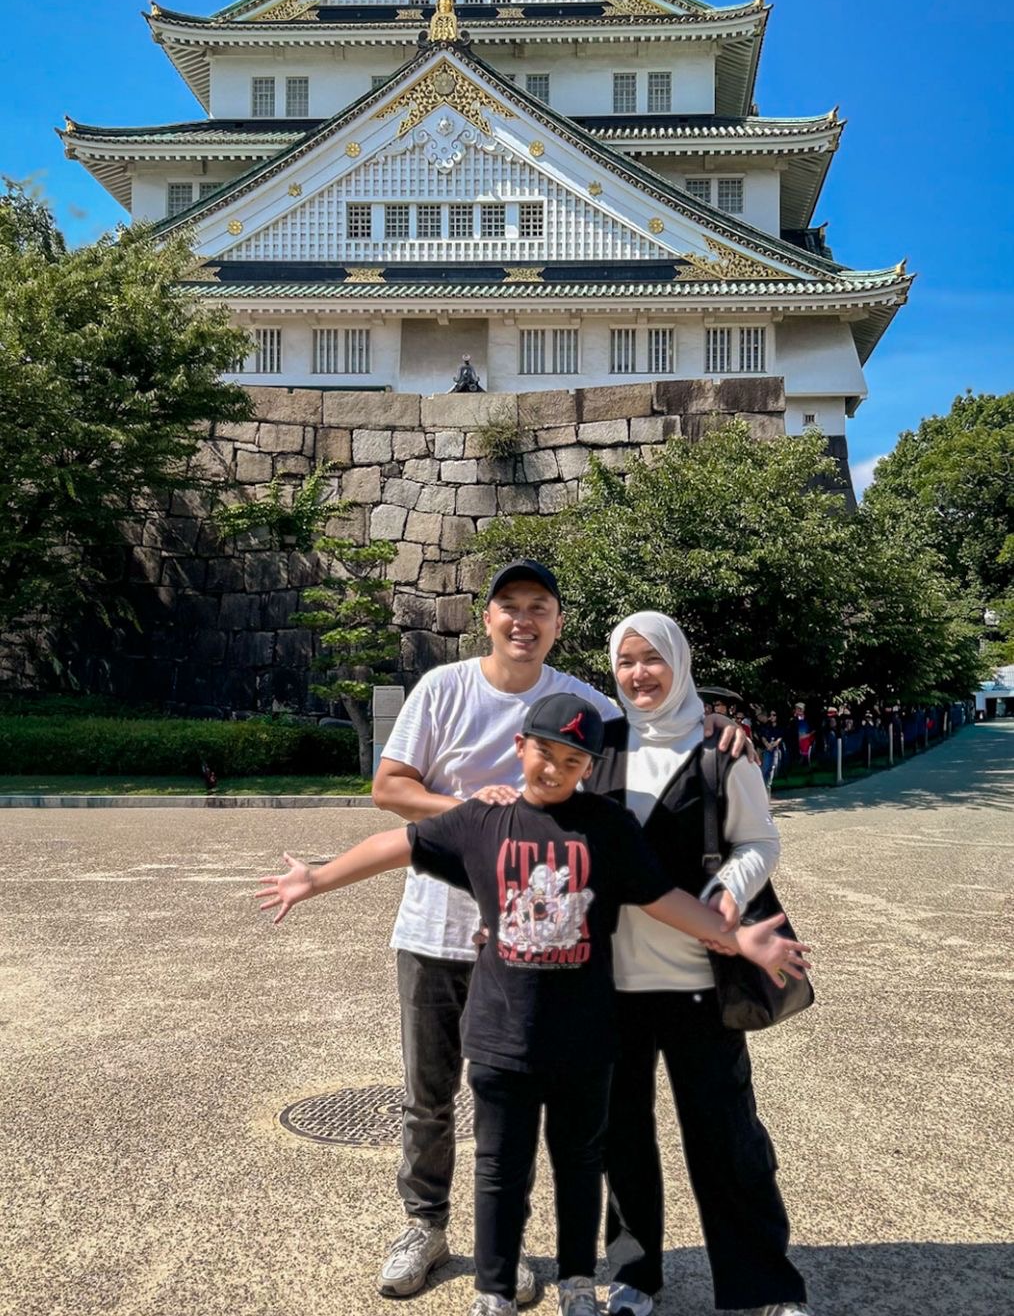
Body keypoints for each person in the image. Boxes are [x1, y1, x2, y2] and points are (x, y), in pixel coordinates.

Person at [256, 693, 810, 1316]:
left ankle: (578, 1283)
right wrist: (316, 878)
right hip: (502, 1038)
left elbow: (662, 899)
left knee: (582, 1166)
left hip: (585, 1038)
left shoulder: (607, 827)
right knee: (499, 1168)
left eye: (573, 760)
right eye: (544, 752)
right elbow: (401, 844)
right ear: (520, 748)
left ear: (589, 767)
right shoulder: (483, 821)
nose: (554, 769)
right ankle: (493, 1291)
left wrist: (738, 938)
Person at [370, 560, 752, 1302]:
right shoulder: (443, 688)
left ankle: (506, 1247)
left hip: (540, 941)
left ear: (558, 623)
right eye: (509, 606)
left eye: (538, 607)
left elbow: (651, 724)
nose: (523, 620)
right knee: (429, 1093)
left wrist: (718, 727)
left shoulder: (583, 701)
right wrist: (478, 812)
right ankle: (424, 1224)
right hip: (437, 925)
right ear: (486, 618)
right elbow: (389, 788)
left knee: (521, 1108)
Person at [586, 613, 812, 1316]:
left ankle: (764, 1286)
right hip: (613, 982)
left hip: (699, 980)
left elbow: (759, 841)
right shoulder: (599, 746)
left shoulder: (721, 749)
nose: (639, 674)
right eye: (626, 661)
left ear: (679, 663)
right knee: (621, 1137)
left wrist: (729, 892)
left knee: (727, 1138)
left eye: (652, 658)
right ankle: (634, 1275)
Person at [757, 710, 786, 793]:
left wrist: (774, 744)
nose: (772, 717)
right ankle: (763, 786)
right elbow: (762, 736)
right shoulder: (766, 725)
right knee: (766, 767)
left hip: (777, 749)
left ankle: (769, 785)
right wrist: (767, 745)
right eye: (770, 715)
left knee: (774, 767)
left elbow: (780, 737)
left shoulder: (780, 726)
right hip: (768, 748)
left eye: (774, 715)